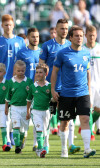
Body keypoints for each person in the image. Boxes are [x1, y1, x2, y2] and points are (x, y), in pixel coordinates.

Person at [51, 26, 96, 158]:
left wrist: (89, 92)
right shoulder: (62, 53)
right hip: (66, 94)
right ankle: (64, 149)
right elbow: (54, 72)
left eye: (81, 36)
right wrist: (53, 89)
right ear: (70, 38)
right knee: (65, 123)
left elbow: (88, 73)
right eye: (76, 36)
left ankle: (87, 149)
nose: (79, 38)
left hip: (83, 93)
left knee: (85, 119)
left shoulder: (86, 53)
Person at [39, 19, 71, 138]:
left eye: (66, 29)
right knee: (46, 118)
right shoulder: (47, 45)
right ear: (56, 29)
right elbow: (41, 66)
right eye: (62, 28)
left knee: (67, 118)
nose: (64, 31)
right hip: (49, 86)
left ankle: (68, 146)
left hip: (66, 86)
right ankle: (42, 144)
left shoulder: (70, 45)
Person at [0, 14, 25, 86]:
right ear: (2, 26)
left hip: (17, 80)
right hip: (0, 80)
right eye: (6, 25)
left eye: (10, 25)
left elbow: (25, 61)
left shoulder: (20, 41)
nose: (8, 27)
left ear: (13, 25)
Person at [5, 60, 33, 154]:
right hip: (14, 107)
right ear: (14, 70)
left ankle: (22, 140)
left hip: (25, 107)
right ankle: (17, 147)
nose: (20, 72)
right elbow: (8, 96)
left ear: (25, 70)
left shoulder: (28, 81)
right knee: (16, 127)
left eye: (22, 71)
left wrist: (29, 109)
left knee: (23, 130)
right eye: (18, 71)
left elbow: (31, 96)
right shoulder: (10, 82)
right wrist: (6, 108)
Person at [26, 63, 52, 158]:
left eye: (40, 72)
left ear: (46, 73)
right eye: (37, 72)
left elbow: (53, 99)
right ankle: (40, 149)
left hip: (46, 111)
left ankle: (46, 144)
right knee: (39, 129)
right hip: (35, 111)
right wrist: (28, 111)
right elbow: (29, 100)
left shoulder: (49, 86)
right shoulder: (33, 86)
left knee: (45, 130)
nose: (38, 74)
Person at [83, 25, 100, 140]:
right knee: (89, 109)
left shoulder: (99, 48)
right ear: (86, 36)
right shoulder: (82, 49)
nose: (92, 37)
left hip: (98, 83)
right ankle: (91, 132)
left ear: (96, 35)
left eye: (93, 35)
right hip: (87, 84)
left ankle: (89, 126)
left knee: (98, 109)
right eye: (89, 35)